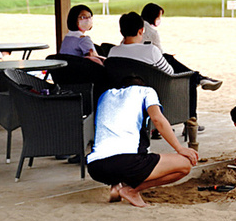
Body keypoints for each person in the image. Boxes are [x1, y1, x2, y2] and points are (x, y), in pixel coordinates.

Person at [85, 76, 200, 207]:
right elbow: (157, 119)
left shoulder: (105, 95)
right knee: (184, 165)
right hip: (126, 162)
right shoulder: (146, 91)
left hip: (96, 167)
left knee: (122, 149)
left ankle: (115, 185)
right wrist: (180, 148)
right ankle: (132, 190)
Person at [140, 3, 221, 90]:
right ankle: (199, 78)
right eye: (158, 17)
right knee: (168, 58)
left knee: (168, 57)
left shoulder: (138, 27)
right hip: (149, 67)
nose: (159, 19)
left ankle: (200, 78)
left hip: (142, 64)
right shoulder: (152, 32)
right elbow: (160, 54)